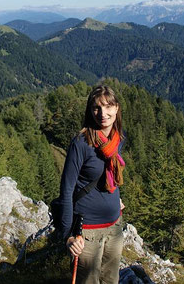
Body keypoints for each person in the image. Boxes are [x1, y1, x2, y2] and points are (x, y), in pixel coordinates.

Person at [57, 85, 126, 284]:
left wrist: (116, 198)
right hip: (87, 232)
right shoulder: (81, 143)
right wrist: (69, 236)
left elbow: (112, 174)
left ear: (116, 108)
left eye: (107, 106)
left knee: (110, 280)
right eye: (96, 108)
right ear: (90, 110)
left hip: (114, 226)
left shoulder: (118, 138)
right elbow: (67, 190)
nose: (102, 113)